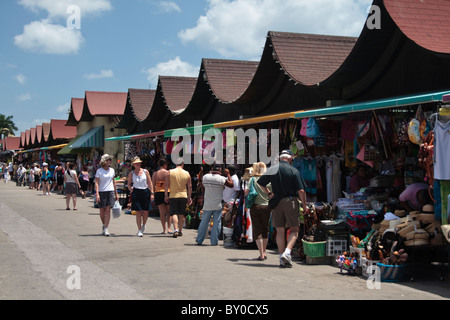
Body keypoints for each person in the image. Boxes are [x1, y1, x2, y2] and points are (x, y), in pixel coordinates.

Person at [258, 150, 308, 268]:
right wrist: (304, 205)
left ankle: (281, 257)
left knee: (280, 230)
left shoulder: (273, 169)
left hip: (276, 202)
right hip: (291, 201)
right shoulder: (293, 170)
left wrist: (269, 194)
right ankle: (287, 252)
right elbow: (301, 191)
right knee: (295, 229)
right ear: (290, 158)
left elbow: (261, 183)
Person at [196, 164, 233, 246]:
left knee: (204, 222)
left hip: (207, 204)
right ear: (220, 170)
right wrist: (228, 175)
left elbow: (200, 179)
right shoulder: (221, 179)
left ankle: (199, 239)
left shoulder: (206, 177)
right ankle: (214, 241)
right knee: (217, 223)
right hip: (217, 205)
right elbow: (231, 184)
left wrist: (202, 171)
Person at [245, 162, 272, 261]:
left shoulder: (252, 179)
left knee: (257, 230)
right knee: (265, 229)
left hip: (255, 206)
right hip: (267, 206)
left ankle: (261, 254)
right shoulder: (268, 180)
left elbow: (246, 192)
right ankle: (264, 252)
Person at [127, 157, 154, 237]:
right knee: (138, 211)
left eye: (139, 163)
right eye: (136, 163)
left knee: (145, 211)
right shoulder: (131, 173)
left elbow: (150, 182)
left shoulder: (146, 172)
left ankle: (144, 224)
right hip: (136, 192)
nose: (138, 164)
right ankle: (139, 229)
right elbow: (128, 184)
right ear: (133, 165)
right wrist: (132, 191)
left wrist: (152, 193)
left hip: (145, 191)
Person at [164, 161, 192, 238]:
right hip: (183, 195)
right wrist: (189, 197)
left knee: (174, 213)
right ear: (182, 164)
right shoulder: (187, 173)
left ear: (176, 164)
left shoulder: (170, 172)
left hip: (173, 195)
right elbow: (189, 186)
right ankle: (180, 230)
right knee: (181, 214)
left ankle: (175, 229)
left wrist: (166, 195)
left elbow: (166, 185)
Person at [95, 154, 118, 236]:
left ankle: (106, 228)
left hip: (110, 191)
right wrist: (97, 193)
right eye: (109, 159)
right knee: (102, 211)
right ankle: (104, 224)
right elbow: (97, 182)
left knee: (108, 210)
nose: (111, 161)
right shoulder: (99, 171)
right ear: (105, 161)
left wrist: (116, 193)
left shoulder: (112, 170)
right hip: (102, 191)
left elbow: (113, 182)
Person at [152, 158, 172, 234]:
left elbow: (153, 185)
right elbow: (167, 184)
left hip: (158, 192)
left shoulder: (155, 174)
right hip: (167, 192)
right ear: (165, 165)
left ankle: (164, 229)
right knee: (168, 212)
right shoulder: (167, 173)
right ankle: (169, 228)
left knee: (161, 212)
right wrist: (166, 195)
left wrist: (153, 194)